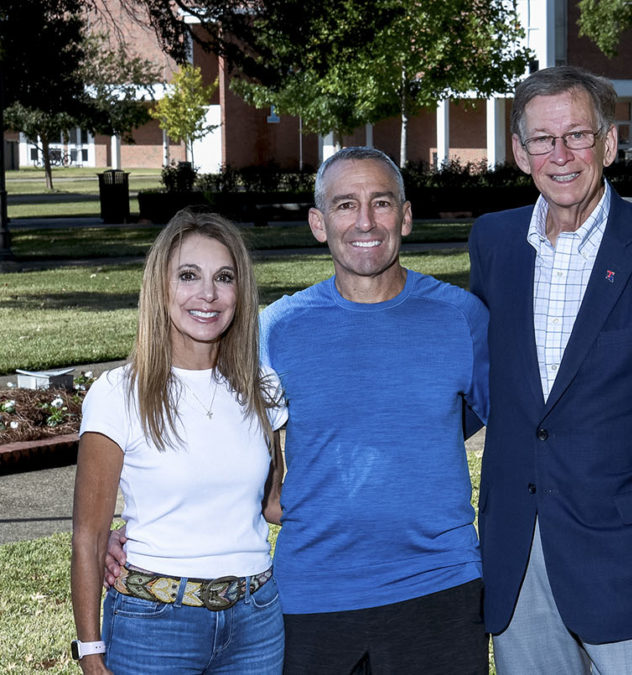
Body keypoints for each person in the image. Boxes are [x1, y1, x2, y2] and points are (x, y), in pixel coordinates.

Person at [468, 65, 632, 674]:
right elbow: (482, 388)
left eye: (578, 136)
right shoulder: (494, 242)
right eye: (542, 139)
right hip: (520, 561)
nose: (561, 155)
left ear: (609, 144)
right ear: (519, 151)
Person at [257, 146, 490, 673]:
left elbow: (516, 433)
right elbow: (234, 444)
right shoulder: (277, 329)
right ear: (319, 224)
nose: (365, 221)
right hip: (312, 596)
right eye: (345, 205)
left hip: (439, 590)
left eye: (381, 202)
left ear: (405, 217)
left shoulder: (461, 319)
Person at [71, 210, 288, 674]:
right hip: (154, 624)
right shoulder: (118, 394)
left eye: (223, 278)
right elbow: (89, 536)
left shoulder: (263, 387)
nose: (207, 295)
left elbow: (276, 504)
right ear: (161, 287)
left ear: (240, 291)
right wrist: (90, 652)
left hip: (257, 620)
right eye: (188, 276)